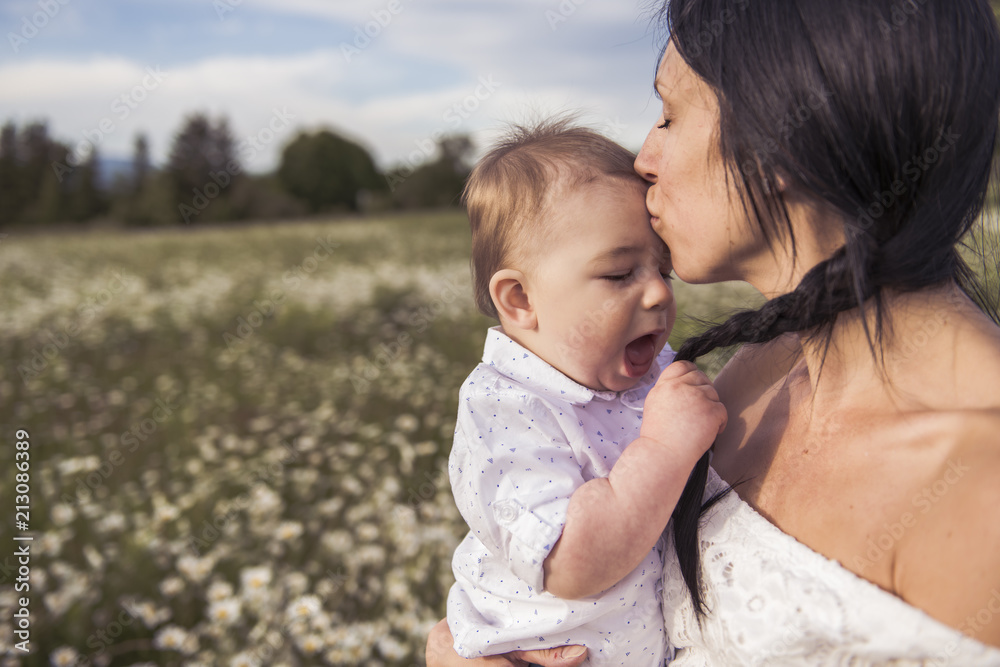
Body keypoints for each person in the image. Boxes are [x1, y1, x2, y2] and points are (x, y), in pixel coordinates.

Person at [427, 0, 1000, 664]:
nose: (643, 158)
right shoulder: (763, 365)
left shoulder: (979, 479)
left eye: (670, 115)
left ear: (782, 140)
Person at [445, 119, 726, 665]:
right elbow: (572, 562)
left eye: (663, 270)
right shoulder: (506, 409)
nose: (658, 294)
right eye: (621, 274)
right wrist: (666, 449)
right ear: (521, 298)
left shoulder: (644, 371)